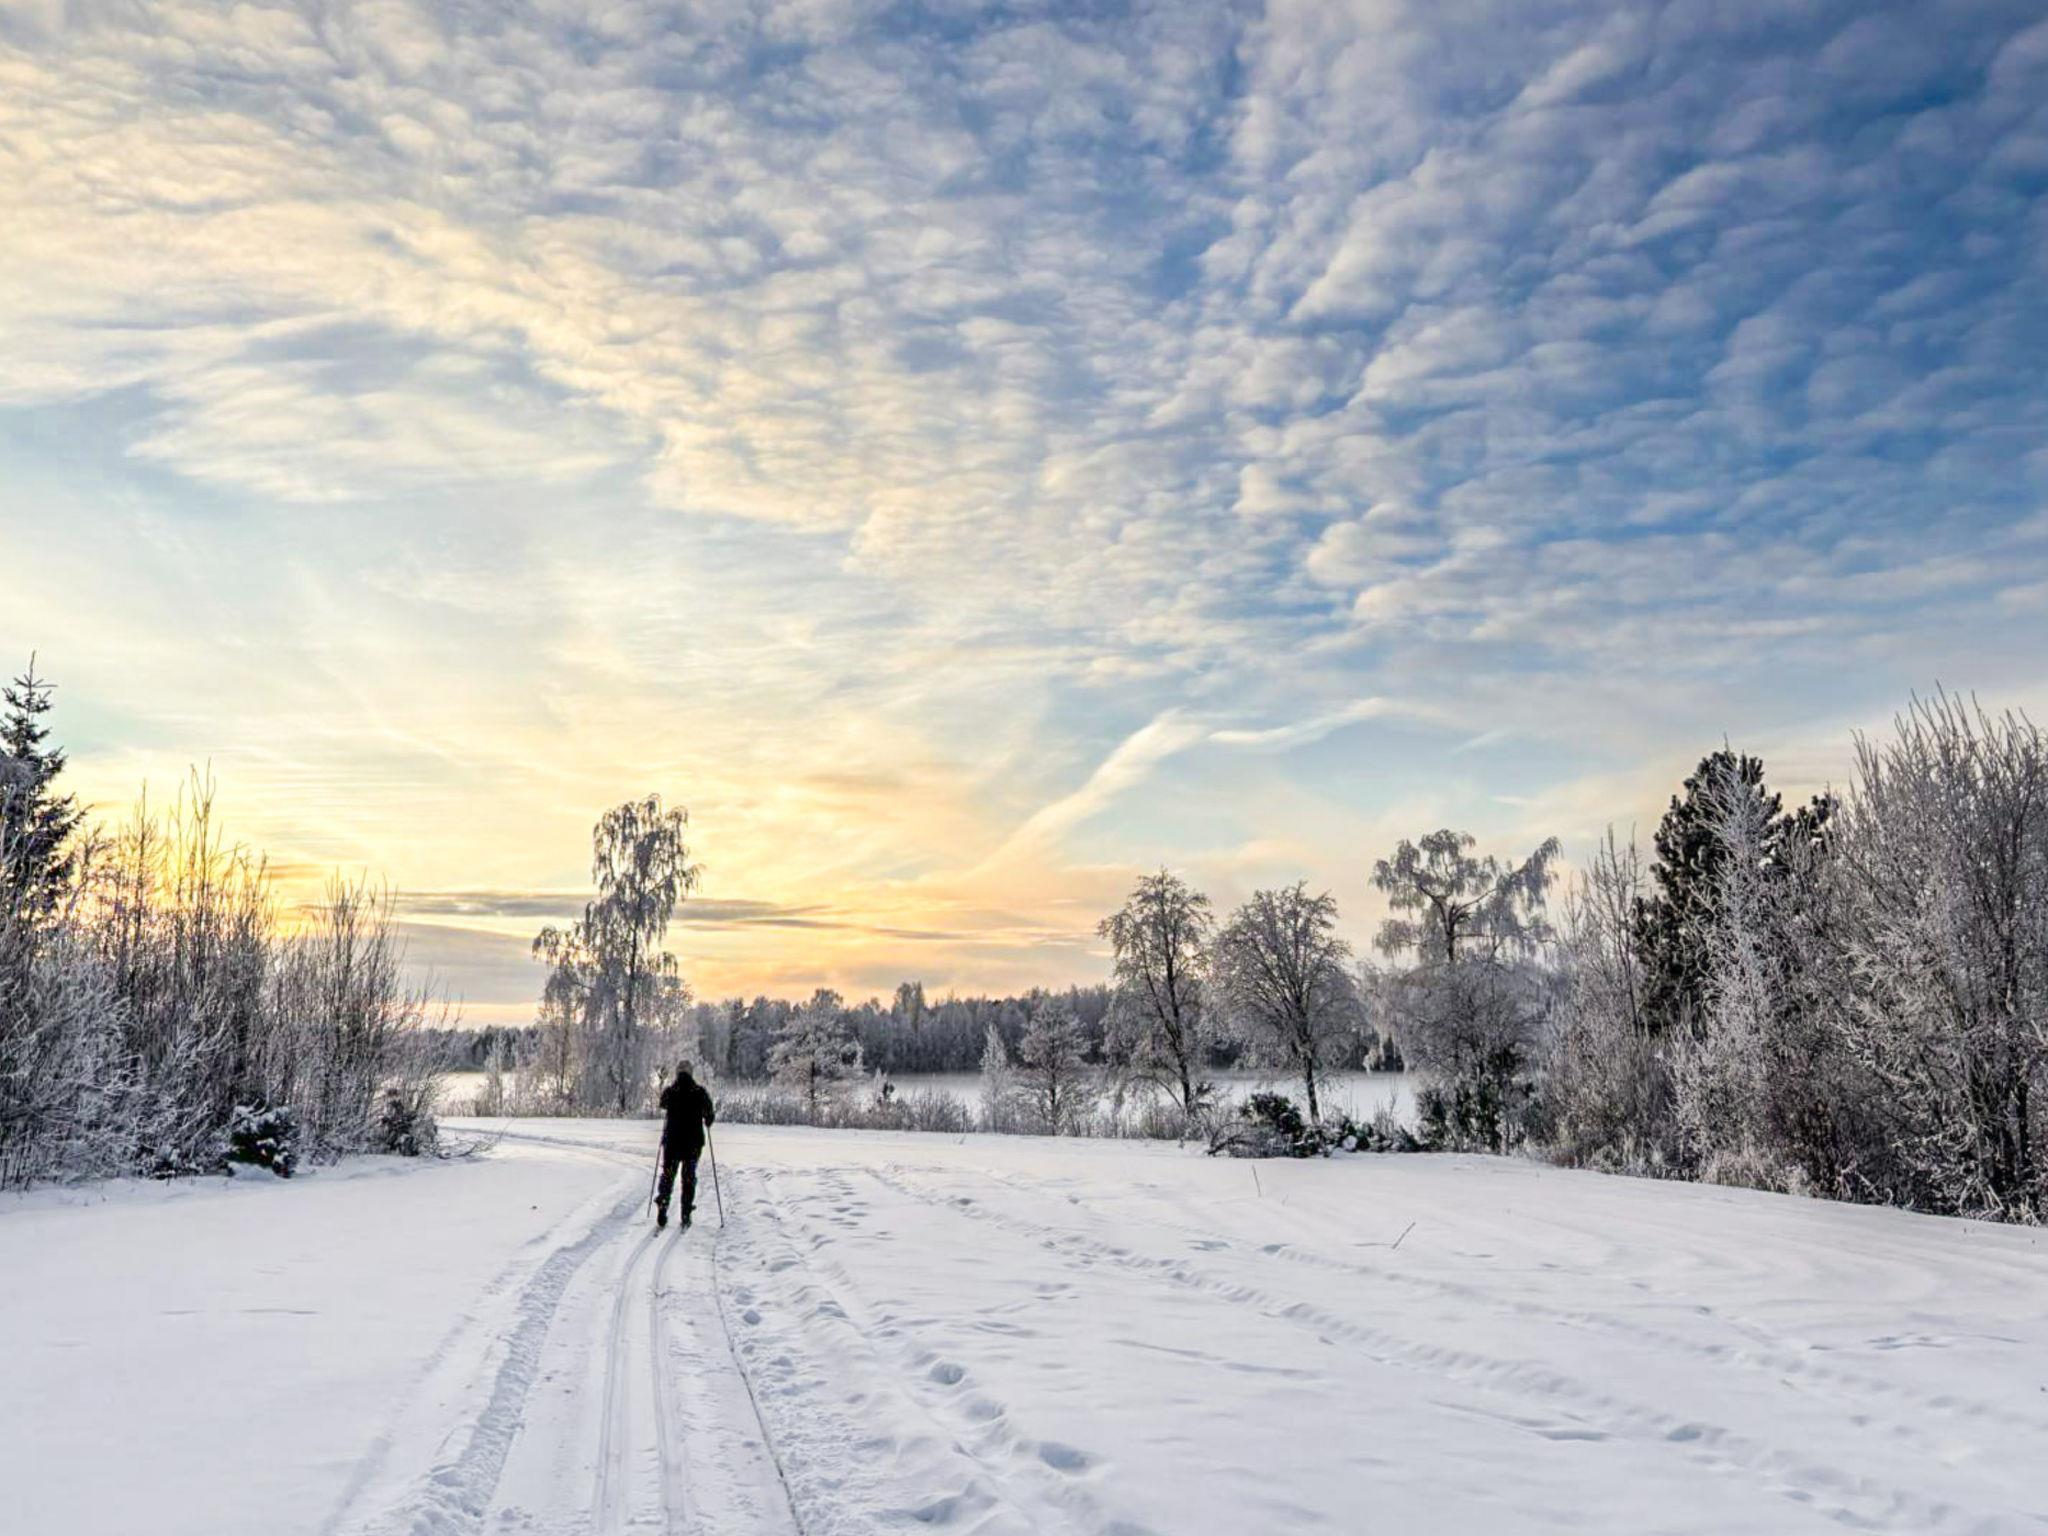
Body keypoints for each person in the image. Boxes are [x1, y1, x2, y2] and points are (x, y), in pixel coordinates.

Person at [656, 1062, 716, 1230]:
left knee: (668, 1174)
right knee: (689, 1177)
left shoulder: (670, 1091)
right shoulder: (699, 1092)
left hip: (672, 1142)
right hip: (692, 1143)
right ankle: (686, 1212)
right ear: (691, 1073)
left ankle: (663, 1203)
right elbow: (709, 1116)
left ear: (677, 1073)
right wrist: (707, 1120)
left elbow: (662, 1104)